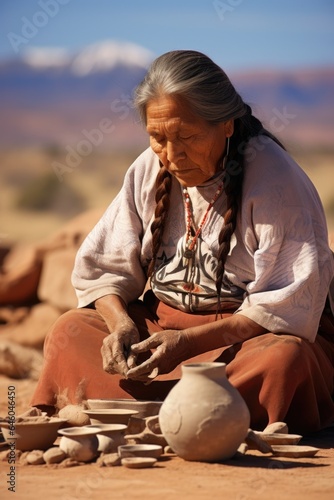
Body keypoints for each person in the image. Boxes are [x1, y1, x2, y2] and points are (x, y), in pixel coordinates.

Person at [31, 50, 334, 434]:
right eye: (157, 138)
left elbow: (286, 309)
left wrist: (189, 343)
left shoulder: (277, 181)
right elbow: (104, 268)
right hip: (159, 337)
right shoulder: (147, 168)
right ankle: (194, 419)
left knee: (285, 361)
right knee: (70, 330)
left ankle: (143, 416)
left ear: (227, 124)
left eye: (187, 137)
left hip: (240, 345)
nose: (171, 155)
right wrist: (120, 324)